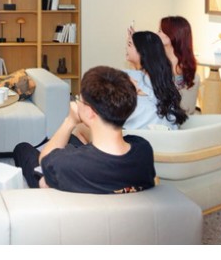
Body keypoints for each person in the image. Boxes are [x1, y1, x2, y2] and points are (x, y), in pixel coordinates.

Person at [13, 66, 155, 193]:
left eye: (79, 99)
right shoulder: (144, 151)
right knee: (73, 140)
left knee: (22, 148)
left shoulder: (67, 163)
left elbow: (44, 160)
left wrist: (70, 121)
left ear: (90, 111)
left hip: (59, 183)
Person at [123, 30, 188, 131]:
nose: (126, 48)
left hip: (139, 135)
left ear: (142, 51)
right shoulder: (163, 79)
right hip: (167, 136)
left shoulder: (131, 78)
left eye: (129, 44)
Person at [158, 15, 198, 93]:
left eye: (160, 31)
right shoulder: (177, 62)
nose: (156, 34)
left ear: (172, 35)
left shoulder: (176, 67)